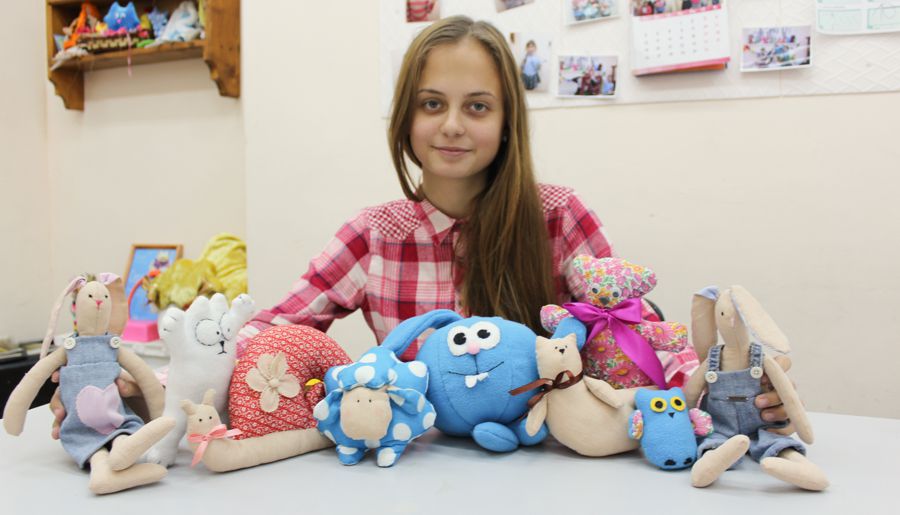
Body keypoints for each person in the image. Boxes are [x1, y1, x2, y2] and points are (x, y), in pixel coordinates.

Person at [49, 16, 792, 438]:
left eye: (478, 106)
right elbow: (267, 333)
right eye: (432, 103)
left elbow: (637, 342)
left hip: (550, 463)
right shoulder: (374, 233)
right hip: (410, 463)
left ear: (508, 121)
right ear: (406, 115)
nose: (452, 125)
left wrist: (734, 390)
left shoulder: (558, 213)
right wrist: (142, 387)